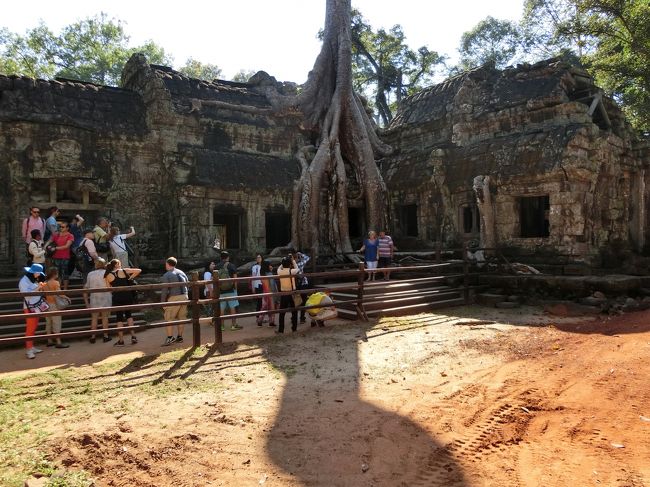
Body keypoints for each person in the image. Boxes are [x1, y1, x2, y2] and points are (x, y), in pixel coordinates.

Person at [104, 259, 141, 347]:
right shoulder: (123, 271)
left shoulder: (107, 275)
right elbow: (139, 270)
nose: (120, 265)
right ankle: (133, 336)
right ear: (117, 265)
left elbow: (109, 289)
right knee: (129, 315)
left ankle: (121, 341)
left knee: (119, 318)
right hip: (127, 296)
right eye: (119, 264)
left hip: (117, 297)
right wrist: (130, 278)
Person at [19, 263, 47, 359]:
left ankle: (31, 347)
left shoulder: (30, 280)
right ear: (34, 273)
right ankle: (29, 349)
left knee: (33, 327)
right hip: (30, 307)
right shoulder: (23, 281)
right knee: (30, 328)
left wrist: (39, 287)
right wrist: (38, 287)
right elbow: (27, 295)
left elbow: (33, 291)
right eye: (38, 273)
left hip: (35, 307)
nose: (39, 275)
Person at [160, 257, 189, 346]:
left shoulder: (167, 275)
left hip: (175, 297)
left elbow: (165, 290)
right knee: (181, 317)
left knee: (169, 318)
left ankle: (170, 338)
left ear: (168, 264)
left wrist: (162, 302)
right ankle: (179, 337)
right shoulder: (182, 272)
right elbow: (188, 284)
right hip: (185, 296)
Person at [84, 258, 112, 344]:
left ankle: (93, 336)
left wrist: (86, 302)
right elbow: (111, 286)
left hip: (94, 298)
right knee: (105, 317)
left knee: (94, 318)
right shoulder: (107, 273)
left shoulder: (90, 274)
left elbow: (86, 287)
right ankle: (105, 336)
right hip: (105, 297)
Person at [43, 267, 69, 348]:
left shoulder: (44, 283)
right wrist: (67, 297)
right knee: (56, 322)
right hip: (54, 304)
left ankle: (49, 340)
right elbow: (59, 293)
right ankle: (58, 341)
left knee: (48, 323)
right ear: (54, 274)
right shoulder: (55, 282)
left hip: (47, 304)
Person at [276, 255, 300, 333]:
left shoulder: (280, 271)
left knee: (282, 312)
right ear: (290, 264)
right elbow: (297, 269)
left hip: (284, 293)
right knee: (294, 311)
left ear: (283, 264)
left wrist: (282, 263)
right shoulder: (292, 271)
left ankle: (281, 329)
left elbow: (279, 268)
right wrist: (293, 260)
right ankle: (294, 328)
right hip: (292, 293)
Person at [218, 251, 241, 330]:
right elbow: (235, 279)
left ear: (220, 257)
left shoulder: (217, 266)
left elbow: (214, 279)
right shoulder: (231, 266)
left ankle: (222, 326)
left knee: (221, 309)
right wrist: (235, 289)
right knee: (232, 307)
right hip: (231, 290)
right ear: (228, 257)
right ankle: (233, 325)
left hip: (221, 291)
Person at [51, 221, 74, 290]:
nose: (61, 228)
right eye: (60, 227)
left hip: (65, 257)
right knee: (57, 274)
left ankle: (65, 289)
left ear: (67, 228)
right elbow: (50, 241)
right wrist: (45, 247)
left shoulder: (70, 235)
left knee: (65, 274)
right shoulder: (57, 235)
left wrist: (55, 248)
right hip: (56, 256)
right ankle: (58, 288)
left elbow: (67, 246)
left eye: (63, 227)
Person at [257, 260, 277, 327]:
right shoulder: (269, 274)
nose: (271, 266)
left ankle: (260, 320)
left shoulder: (262, 273)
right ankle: (272, 321)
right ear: (267, 266)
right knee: (271, 307)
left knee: (264, 307)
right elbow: (272, 284)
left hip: (265, 292)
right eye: (270, 265)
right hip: (270, 292)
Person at [293, 251, 311, 323]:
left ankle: (293, 318)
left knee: (296, 301)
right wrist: (300, 254)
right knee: (303, 301)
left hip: (295, 285)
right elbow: (307, 258)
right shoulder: (300, 264)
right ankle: (302, 318)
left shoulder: (291, 266)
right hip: (303, 283)